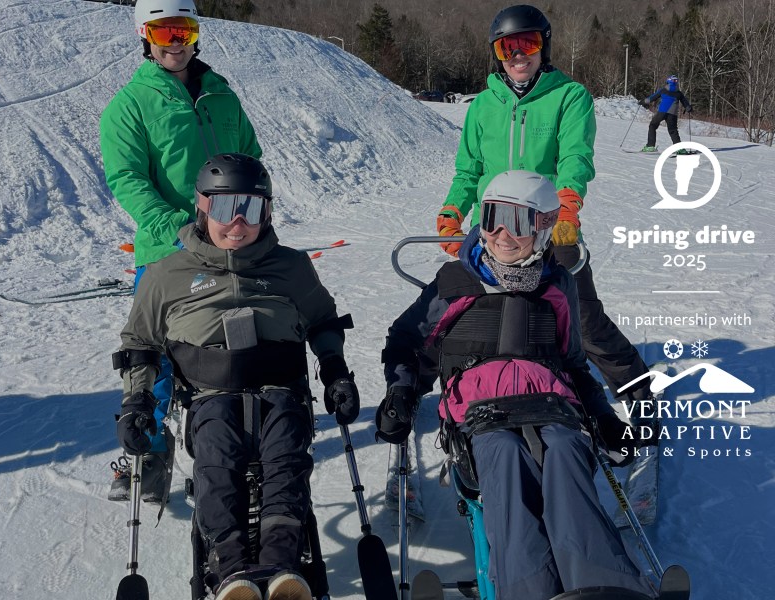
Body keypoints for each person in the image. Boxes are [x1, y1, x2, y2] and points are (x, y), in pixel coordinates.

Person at [379, 171, 652, 600]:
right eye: (492, 218)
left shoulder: (557, 285)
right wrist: (401, 392)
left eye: (518, 221)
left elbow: (574, 362)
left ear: (544, 227)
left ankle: (605, 586)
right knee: (505, 455)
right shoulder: (454, 282)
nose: (502, 235)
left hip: (552, 406)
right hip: (480, 414)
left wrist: (602, 416)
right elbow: (405, 342)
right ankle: (529, 589)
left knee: (566, 450)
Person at [113, 153, 358, 600]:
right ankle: (230, 568)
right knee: (217, 459)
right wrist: (137, 402)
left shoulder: (290, 266)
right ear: (202, 207)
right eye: (225, 208)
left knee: (286, 458)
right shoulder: (167, 274)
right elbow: (140, 344)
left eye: (251, 208)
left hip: (281, 391)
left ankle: (282, 568)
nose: (238, 223)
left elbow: (323, 321)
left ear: (268, 211)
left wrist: (336, 374)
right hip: (209, 395)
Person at [436, 4, 652, 412]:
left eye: (528, 44)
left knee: (582, 318)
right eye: (507, 48)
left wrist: (566, 208)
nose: (518, 55)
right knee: (465, 310)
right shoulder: (483, 106)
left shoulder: (569, 97)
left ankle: (638, 393)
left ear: (544, 47)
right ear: (497, 54)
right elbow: (468, 170)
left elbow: (575, 159)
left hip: (549, 227)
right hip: (495, 230)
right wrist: (452, 212)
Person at [100, 0, 262, 503]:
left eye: (184, 31)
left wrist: (252, 215)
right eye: (163, 32)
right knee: (155, 351)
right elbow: (127, 179)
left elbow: (252, 159)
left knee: (241, 340)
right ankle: (147, 450)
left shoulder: (222, 95)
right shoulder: (130, 104)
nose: (176, 43)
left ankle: (240, 445)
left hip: (232, 240)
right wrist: (176, 227)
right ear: (144, 37)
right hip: (168, 248)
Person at [639, 75, 693, 152]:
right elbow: (685, 103)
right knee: (673, 131)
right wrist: (688, 108)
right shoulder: (679, 93)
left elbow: (652, 98)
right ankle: (680, 149)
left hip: (662, 112)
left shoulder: (663, 90)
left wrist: (643, 102)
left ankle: (650, 146)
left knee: (652, 126)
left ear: (668, 82)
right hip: (673, 115)